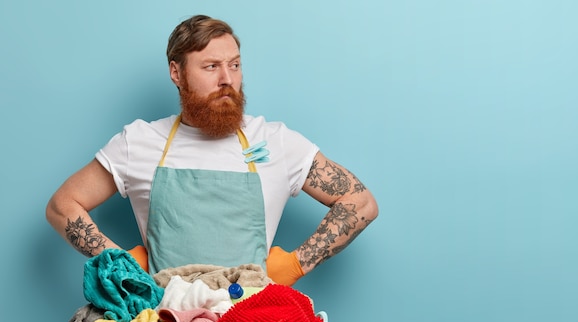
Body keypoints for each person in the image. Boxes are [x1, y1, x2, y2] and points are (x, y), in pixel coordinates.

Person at [46, 14, 378, 284]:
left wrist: (296, 264)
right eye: (210, 66)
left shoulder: (275, 141)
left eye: (234, 65)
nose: (227, 79)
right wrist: (121, 264)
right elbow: (63, 206)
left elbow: (360, 202)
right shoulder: (140, 142)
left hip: (252, 320)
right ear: (176, 73)